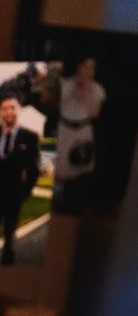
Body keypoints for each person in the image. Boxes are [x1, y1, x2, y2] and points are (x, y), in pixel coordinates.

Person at [0, 96, 41, 264]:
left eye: (12, 108)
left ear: (19, 110)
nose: (9, 112)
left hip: (14, 196)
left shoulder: (30, 137)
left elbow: (34, 170)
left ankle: (7, 269)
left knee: (10, 237)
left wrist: (24, 193)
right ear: (0, 112)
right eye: (5, 108)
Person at [55, 57, 105, 211]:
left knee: (80, 167)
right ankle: (57, 198)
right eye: (85, 67)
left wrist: (87, 96)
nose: (88, 71)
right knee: (60, 167)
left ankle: (72, 203)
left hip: (83, 131)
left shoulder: (98, 90)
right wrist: (74, 92)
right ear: (78, 67)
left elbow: (95, 114)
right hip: (64, 129)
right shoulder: (64, 84)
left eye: (92, 68)